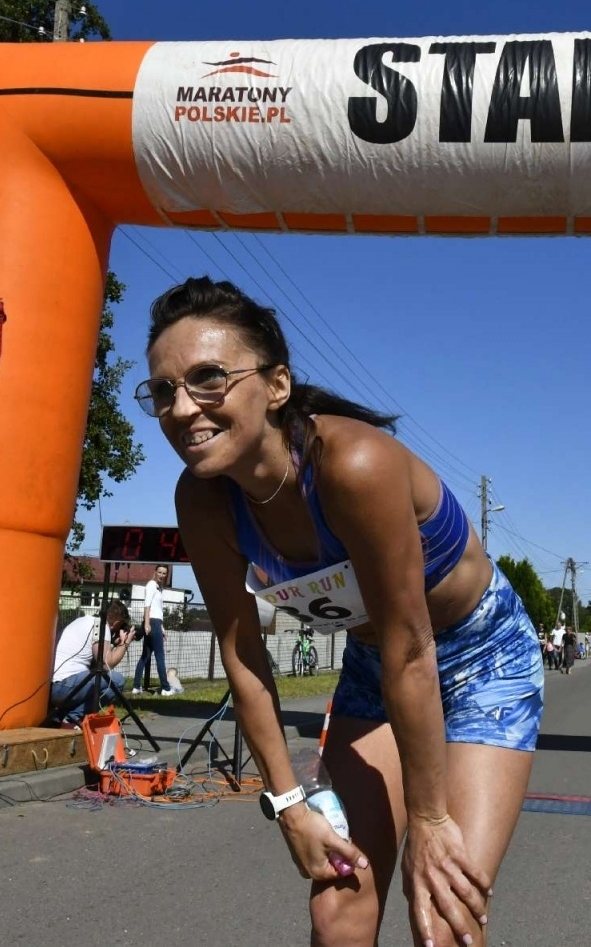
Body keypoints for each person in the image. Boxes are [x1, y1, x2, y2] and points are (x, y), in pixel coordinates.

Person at [139, 277, 544, 947]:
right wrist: (290, 804)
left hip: (479, 654)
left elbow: (412, 649)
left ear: (276, 386)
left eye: (208, 378)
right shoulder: (203, 500)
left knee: (441, 916)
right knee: (337, 907)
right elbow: (242, 657)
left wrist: (430, 819)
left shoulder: (352, 465)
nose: (183, 408)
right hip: (373, 662)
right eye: (163, 391)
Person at [50, 600, 133, 726]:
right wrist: (124, 644)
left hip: (52, 688)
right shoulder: (101, 626)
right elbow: (106, 664)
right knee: (117, 681)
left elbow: (96, 667)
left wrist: (113, 645)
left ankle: (59, 717)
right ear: (116, 623)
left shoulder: (83, 621)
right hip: (64, 686)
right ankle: (71, 718)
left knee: (102, 679)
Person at [132, 564, 183, 695]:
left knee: (145, 657)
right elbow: (147, 605)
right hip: (152, 623)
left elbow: (158, 610)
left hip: (156, 623)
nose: (161, 575)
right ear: (155, 572)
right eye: (159, 572)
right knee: (160, 657)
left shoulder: (158, 588)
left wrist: (162, 629)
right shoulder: (151, 585)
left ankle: (136, 687)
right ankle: (166, 689)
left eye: (164, 573)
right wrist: (147, 624)